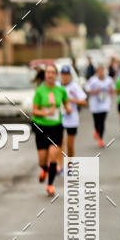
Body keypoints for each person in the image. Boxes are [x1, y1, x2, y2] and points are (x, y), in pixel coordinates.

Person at [31, 63, 71, 196]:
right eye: (48, 72)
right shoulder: (39, 91)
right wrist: (46, 113)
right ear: (45, 75)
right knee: (42, 160)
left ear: (56, 75)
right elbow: (34, 110)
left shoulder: (61, 90)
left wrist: (68, 108)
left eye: (53, 72)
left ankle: (50, 185)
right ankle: (44, 169)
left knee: (53, 156)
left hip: (56, 127)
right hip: (41, 126)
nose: (50, 75)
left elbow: (65, 102)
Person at [59, 65, 87, 170]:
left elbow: (84, 102)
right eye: (63, 74)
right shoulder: (57, 86)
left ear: (70, 75)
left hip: (72, 119)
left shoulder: (75, 86)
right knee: (60, 143)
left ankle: (70, 165)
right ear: (60, 75)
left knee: (70, 145)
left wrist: (71, 100)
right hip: (60, 118)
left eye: (67, 75)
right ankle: (60, 165)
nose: (65, 77)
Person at [85, 64, 115, 148]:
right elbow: (87, 91)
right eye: (99, 71)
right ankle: (96, 131)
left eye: (102, 70)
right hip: (94, 104)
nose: (100, 72)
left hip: (105, 103)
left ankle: (100, 139)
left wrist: (111, 92)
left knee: (102, 121)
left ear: (104, 71)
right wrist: (95, 91)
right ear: (97, 72)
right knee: (96, 121)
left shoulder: (109, 80)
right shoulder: (92, 80)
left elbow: (112, 89)